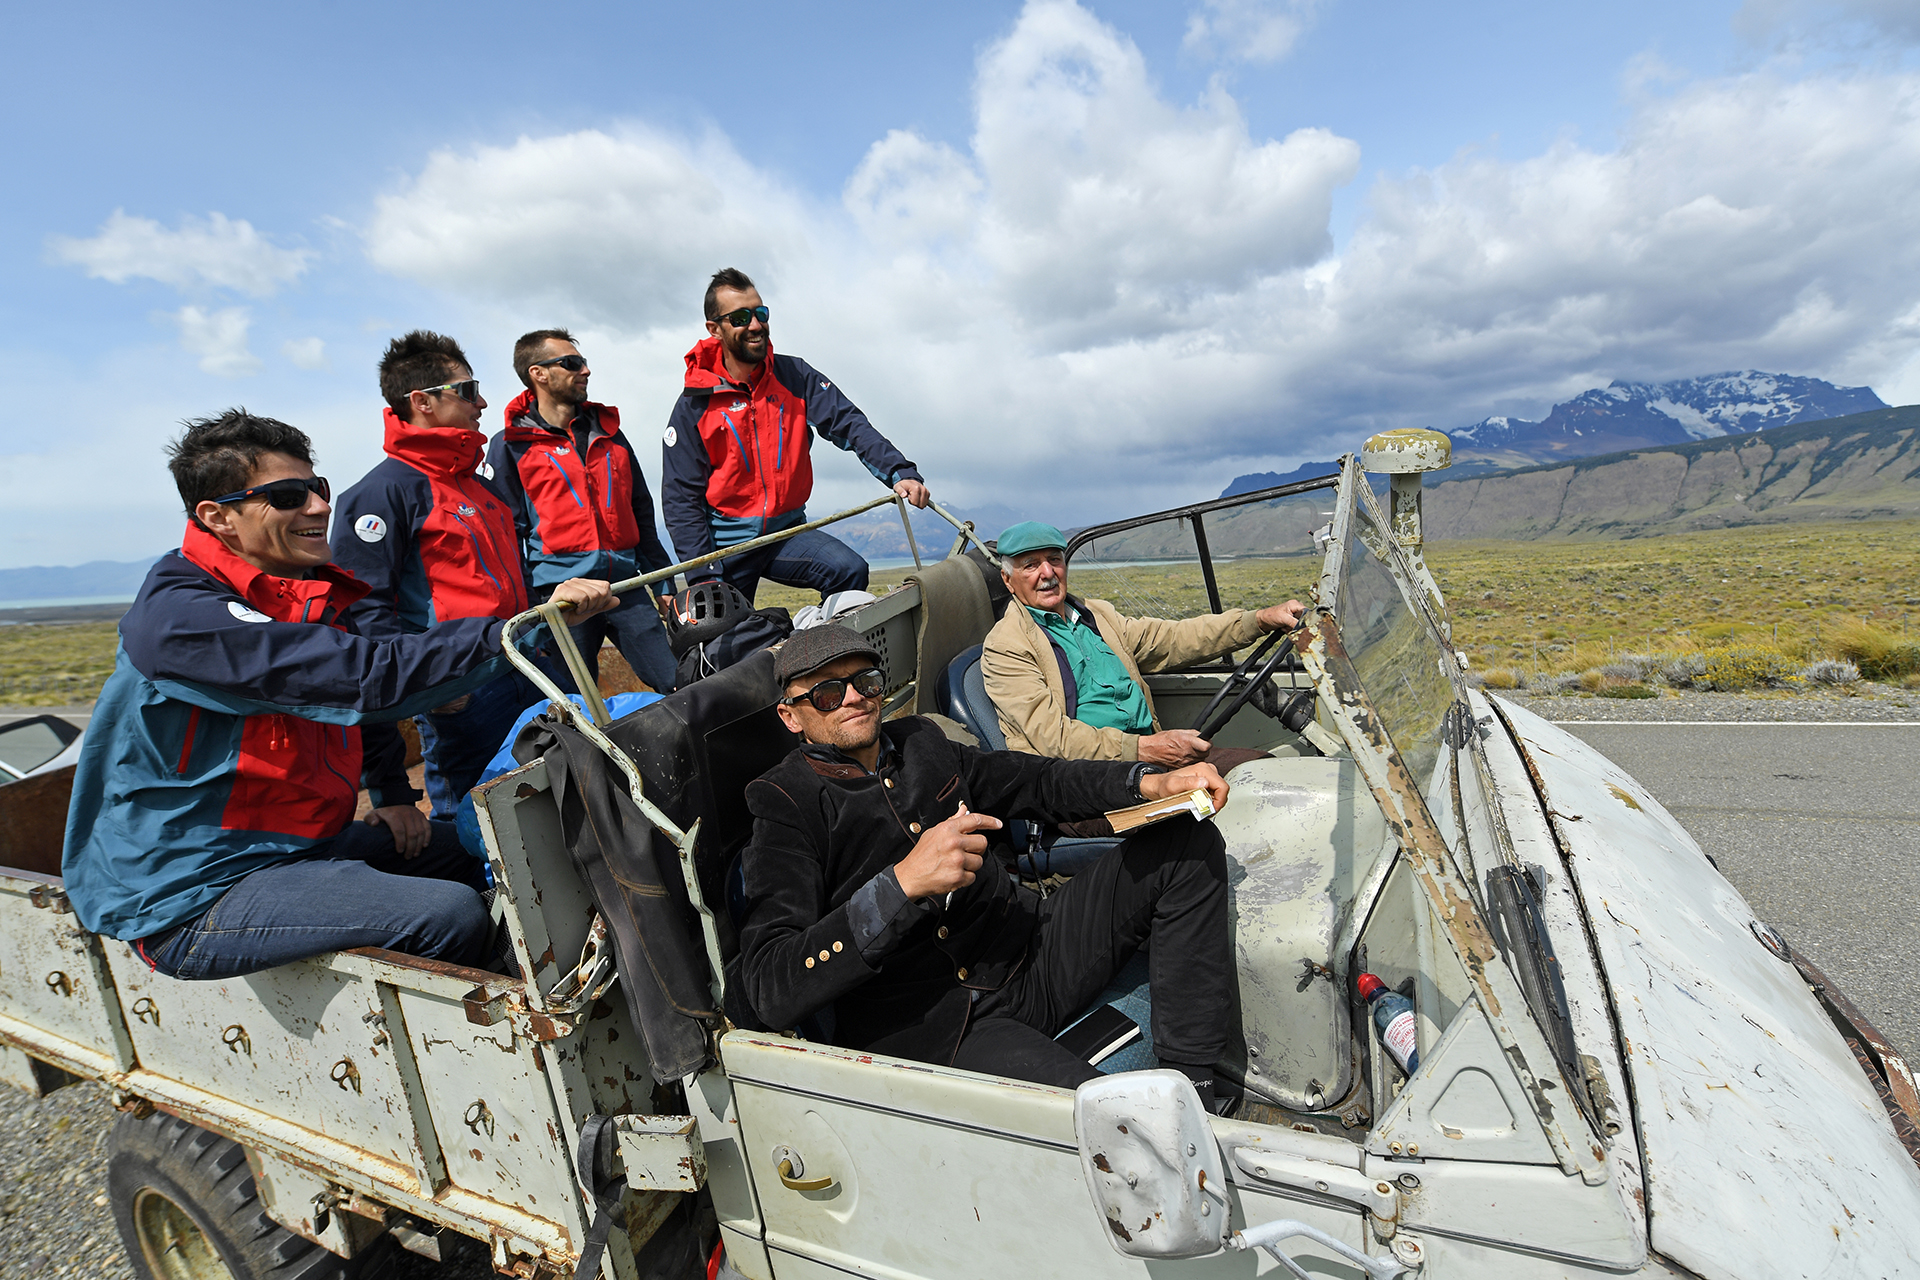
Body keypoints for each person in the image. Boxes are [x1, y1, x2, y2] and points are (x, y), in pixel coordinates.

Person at [61, 409, 614, 980]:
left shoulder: (296, 593)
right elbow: (363, 677)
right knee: (448, 913)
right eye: (287, 495)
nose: (321, 507)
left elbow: (345, 702)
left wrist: (394, 795)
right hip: (192, 888)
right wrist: (519, 627)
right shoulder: (182, 620)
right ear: (217, 516)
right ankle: (519, 1040)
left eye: (317, 488)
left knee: (494, 848)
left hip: (295, 846)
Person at [736, 625, 1239, 1105]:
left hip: (1032, 950)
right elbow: (770, 986)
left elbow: (1034, 781)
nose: (852, 698)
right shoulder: (784, 801)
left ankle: (1194, 1085)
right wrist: (902, 884)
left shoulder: (920, 741)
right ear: (791, 716)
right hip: (953, 1024)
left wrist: (1145, 782)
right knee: (1115, 1122)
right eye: (826, 692)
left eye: (865, 681)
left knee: (1185, 841)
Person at [331, 330, 547, 819]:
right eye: (468, 391)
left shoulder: (475, 485)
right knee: (473, 823)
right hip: (459, 690)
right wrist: (424, 688)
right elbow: (363, 611)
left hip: (524, 668)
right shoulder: (380, 494)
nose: (483, 402)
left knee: (544, 803)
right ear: (422, 401)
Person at [661, 267, 932, 603]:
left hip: (787, 533)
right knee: (720, 640)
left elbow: (849, 424)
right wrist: (703, 575)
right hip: (724, 546)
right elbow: (680, 499)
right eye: (741, 317)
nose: (756, 325)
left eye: (761, 313)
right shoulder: (694, 404)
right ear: (714, 329)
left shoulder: (795, 376)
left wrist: (898, 471)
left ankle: (822, 652)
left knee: (849, 570)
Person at [981, 522, 1305, 766]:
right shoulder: (1007, 646)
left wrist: (1258, 619)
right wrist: (1144, 749)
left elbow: (1173, 639)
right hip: (1085, 780)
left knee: (1261, 769)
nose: (1048, 572)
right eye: (1031, 565)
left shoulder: (1097, 616)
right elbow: (1051, 738)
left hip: (1148, 759)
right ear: (1008, 580)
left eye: (1054, 559)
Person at [488, 328, 679, 693]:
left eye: (584, 362)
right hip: (560, 599)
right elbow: (507, 536)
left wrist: (663, 583)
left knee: (677, 683)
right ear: (538, 374)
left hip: (626, 585)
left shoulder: (611, 434)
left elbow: (642, 515)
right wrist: (530, 610)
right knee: (576, 704)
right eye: (572, 363)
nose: (586, 371)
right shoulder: (509, 446)